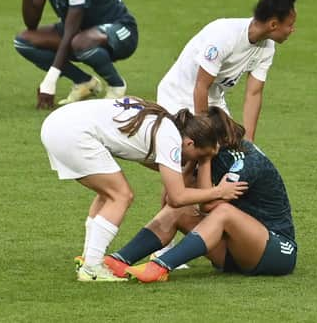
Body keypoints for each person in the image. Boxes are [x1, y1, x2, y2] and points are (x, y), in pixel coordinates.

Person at [40, 97, 248, 282]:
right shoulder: (171, 139)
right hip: (74, 133)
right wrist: (219, 191)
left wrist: (189, 169)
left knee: (107, 194)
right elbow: (176, 198)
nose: (191, 161)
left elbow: (160, 167)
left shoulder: (163, 121)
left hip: (57, 122)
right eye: (198, 157)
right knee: (120, 195)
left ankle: (88, 259)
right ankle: (92, 267)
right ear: (190, 142)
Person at [101, 106, 297, 282]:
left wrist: (204, 161)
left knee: (224, 212)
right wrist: (200, 161)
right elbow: (174, 199)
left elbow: (209, 206)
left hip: (277, 251)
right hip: (235, 253)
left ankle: (160, 266)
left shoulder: (245, 161)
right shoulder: (212, 155)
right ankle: (119, 260)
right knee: (180, 210)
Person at [156, 0, 300, 141]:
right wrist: (205, 137)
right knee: (198, 156)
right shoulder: (224, 36)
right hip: (178, 96)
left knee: (237, 157)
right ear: (273, 24)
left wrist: (249, 143)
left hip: (214, 101)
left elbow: (253, 93)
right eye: (290, 25)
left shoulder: (267, 47)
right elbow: (200, 87)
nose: (292, 30)